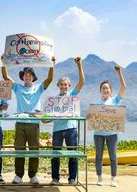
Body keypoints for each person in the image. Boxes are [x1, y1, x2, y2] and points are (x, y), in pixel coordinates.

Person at [2, 55, 55, 184]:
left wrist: (52, 64)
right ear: (22, 76)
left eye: (30, 74)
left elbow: (49, 79)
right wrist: (3, 62)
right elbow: (5, 77)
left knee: (34, 150)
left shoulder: (38, 88)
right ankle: (18, 176)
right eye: (25, 74)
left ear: (33, 77)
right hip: (20, 123)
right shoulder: (17, 87)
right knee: (19, 150)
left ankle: (33, 175)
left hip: (34, 124)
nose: (27, 76)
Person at [88, 65, 126, 187]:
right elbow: (90, 117)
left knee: (113, 157)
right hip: (98, 134)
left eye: (107, 88)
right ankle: (99, 178)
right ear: (100, 91)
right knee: (98, 156)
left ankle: (113, 178)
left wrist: (119, 72)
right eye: (103, 88)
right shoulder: (96, 104)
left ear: (111, 90)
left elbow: (124, 87)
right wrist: (88, 117)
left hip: (112, 134)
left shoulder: (115, 101)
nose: (105, 90)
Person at [50, 57, 85, 185]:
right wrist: (44, 118)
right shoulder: (52, 100)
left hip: (71, 128)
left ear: (69, 86)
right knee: (56, 155)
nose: (64, 86)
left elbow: (82, 81)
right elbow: (48, 118)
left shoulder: (72, 95)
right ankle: (55, 178)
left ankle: (72, 178)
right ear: (58, 86)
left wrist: (79, 65)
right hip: (57, 129)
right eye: (62, 84)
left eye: (66, 84)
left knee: (73, 154)